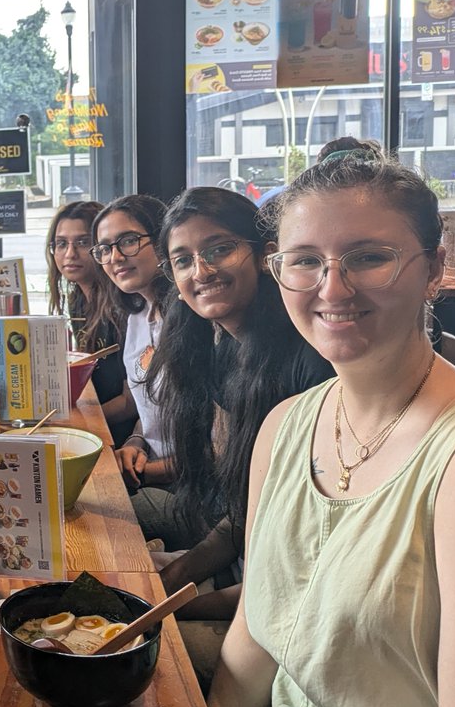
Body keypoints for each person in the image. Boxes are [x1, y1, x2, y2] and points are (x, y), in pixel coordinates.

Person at [209, 151, 455, 707]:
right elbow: (255, 639)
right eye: (306, 261)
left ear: (435, 267)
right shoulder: (284, 426)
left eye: (369, 257)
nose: (333, 288)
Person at [145, 187, 332, 645]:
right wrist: (167, 587)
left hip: (293, 605)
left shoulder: (309, 363)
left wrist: (173, 607)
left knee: (159, 654)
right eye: (184, 260)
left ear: (266, 255)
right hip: (245, 558)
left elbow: (305, 565)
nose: (201, 270)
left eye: (219, 249)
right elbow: (243, 512)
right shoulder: (222, 346)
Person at [90, 195, 174, 491]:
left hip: (186, 488)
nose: (115, 257)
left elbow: (218, 451)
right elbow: (145, 406)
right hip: (151, 471)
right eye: (104, 249)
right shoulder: (138, 314)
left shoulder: (192, 320)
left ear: (164, 239)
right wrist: (136, 441)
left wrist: (145, 472)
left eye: (128, 241)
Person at [44, 200, 129, 435]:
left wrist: (77, 424)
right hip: (96, 417)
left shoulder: (122, 307)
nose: (70, 254)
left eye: (82, 242)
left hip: (124, 435)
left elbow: (131, 402)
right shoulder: (77, 299)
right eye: (61, 244)